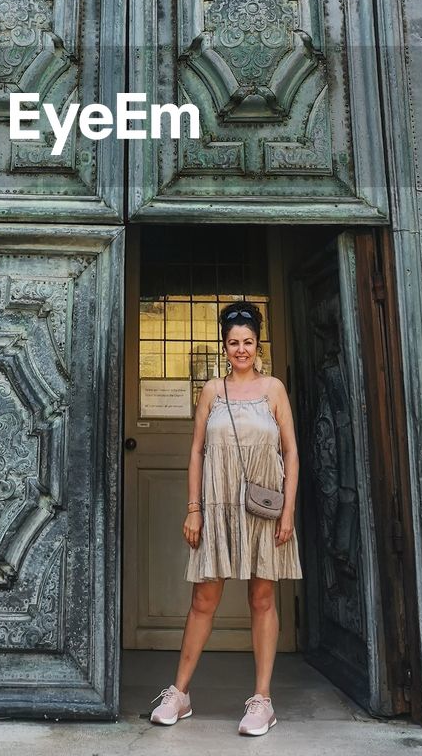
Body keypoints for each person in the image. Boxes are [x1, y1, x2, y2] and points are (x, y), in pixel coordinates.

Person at [149, 301, 301, 737]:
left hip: (265, 509)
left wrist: (288, 510)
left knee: (262, 599)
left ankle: (262, 700)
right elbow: (197, 449)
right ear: (224, 344)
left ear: (258, 343)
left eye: (248, 342)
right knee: (203, 599)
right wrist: (193, 508)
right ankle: (179, 692)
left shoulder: (274, 389)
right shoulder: (212, 391)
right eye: (233, 342)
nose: (241, 349)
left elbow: (290, 450)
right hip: (216, 507)